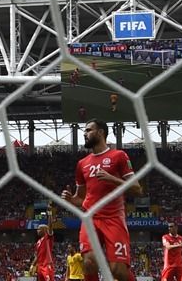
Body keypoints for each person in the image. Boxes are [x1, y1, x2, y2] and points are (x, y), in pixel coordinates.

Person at [60, 119, 143, 281]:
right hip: (90, 219)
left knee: (118, 271)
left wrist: (112, 179)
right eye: (84, 131)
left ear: (100, 132)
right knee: (89, 263)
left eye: (88, 130)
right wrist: (71, 200)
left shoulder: (118, 156)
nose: (84, 133)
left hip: (113, 218)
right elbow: (81, 198)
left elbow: (137, 189)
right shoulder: (82, 164)